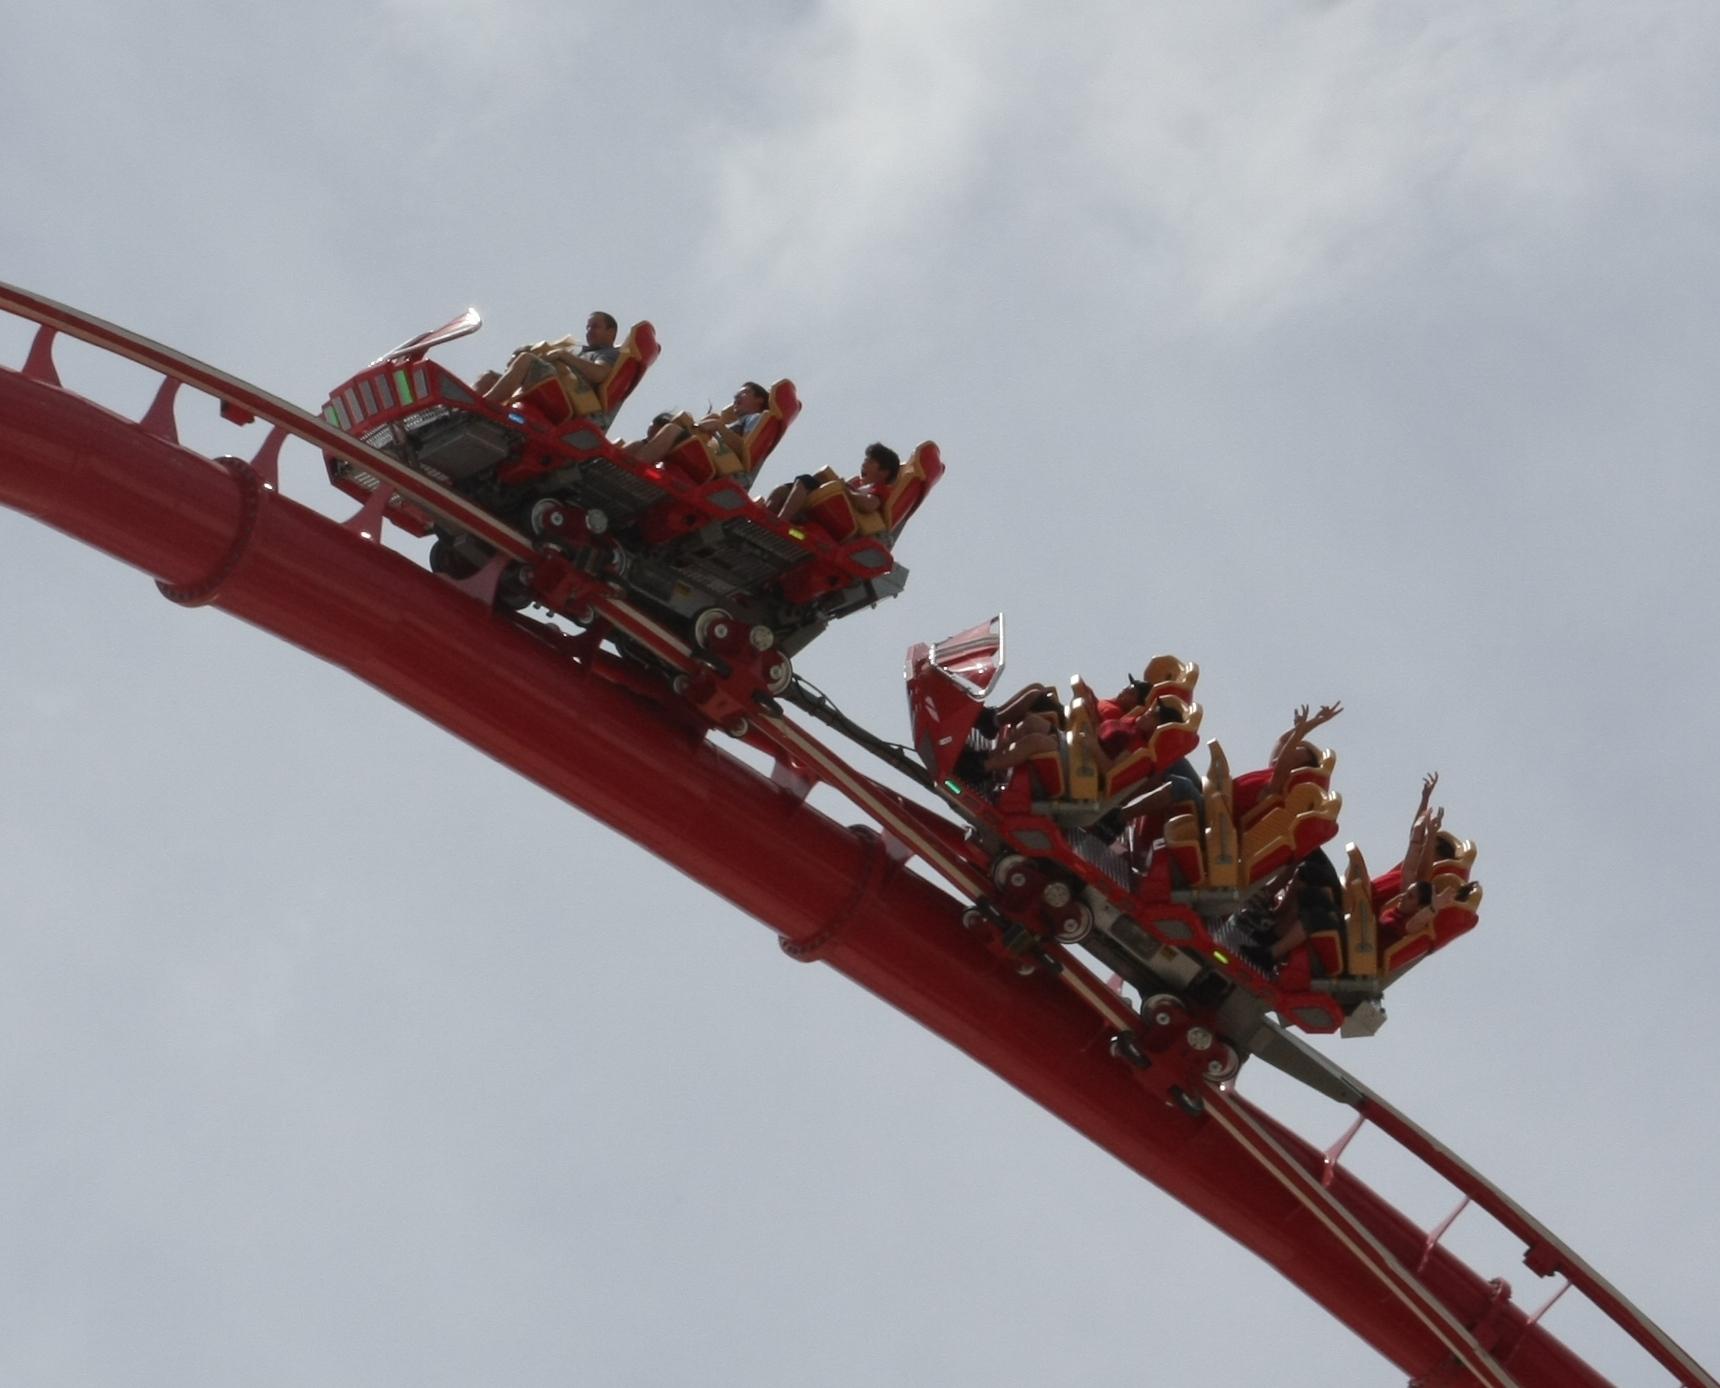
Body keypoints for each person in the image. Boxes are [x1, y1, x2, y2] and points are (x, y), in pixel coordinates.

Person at [476, 311, 623, 426]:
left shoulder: (609, 353)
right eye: (588, 327)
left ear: (611, 332)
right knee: (489, 377)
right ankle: (464, 410)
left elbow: (599, 374)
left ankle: (482, 407)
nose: (589, 331)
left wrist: (563, 355)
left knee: (526, 359)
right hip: (553, 382)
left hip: (572, 395)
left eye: (595, 327)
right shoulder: (579, 350)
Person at [625, 382, 770, 470]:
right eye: (736, 394)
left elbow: (746, 450)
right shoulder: (728, 422)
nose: (737, 397)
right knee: (659, 428)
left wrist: (719, 426)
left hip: (717, 459)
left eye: (745, 393)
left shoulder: (755, 418)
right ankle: (618, 462)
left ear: (759, 400)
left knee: (671, 430)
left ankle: (634, 469)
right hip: (706, 449)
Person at [765, 442, 900, 523]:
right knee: (782, 490)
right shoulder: (857, 482)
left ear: (884, 472)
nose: (864, 463)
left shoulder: (879, 489)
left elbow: (870, 504)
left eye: (870, 462)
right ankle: (764, 517)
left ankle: (781, 521)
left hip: (842, 516)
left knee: (805, 481)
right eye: (865, 460)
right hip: (828, 505)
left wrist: (844, 488)